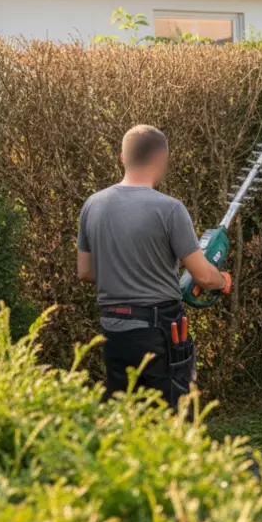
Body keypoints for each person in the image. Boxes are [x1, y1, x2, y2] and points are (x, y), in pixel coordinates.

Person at [77, 124, 232, 406]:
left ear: (122, 158)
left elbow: (85, 271)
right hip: (160, 333)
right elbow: (203, 277)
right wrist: (222, 281)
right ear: (161, 162)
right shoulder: (170, 209)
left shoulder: (93, 205)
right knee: (172, 416)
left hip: (114, 331)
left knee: (125, 417)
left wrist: (124, 274)